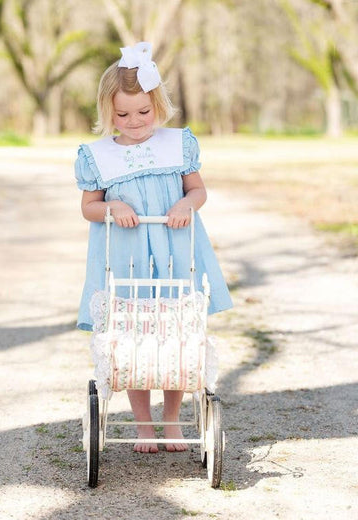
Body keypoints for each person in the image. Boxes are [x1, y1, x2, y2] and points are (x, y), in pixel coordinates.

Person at [74, 42, 232, 453]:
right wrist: (111, 206)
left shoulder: (176, 145)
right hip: (127, 259)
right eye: (122, 115)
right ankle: (144, 425)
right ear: (108, 112)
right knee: (135, 336)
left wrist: (186, 203)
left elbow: (198, 191)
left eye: (143, 112)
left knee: (174, 333)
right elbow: (88, 208)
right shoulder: (99, 156)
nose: (135, 122)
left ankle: (173, 421)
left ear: (157, 104)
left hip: (175, 252)